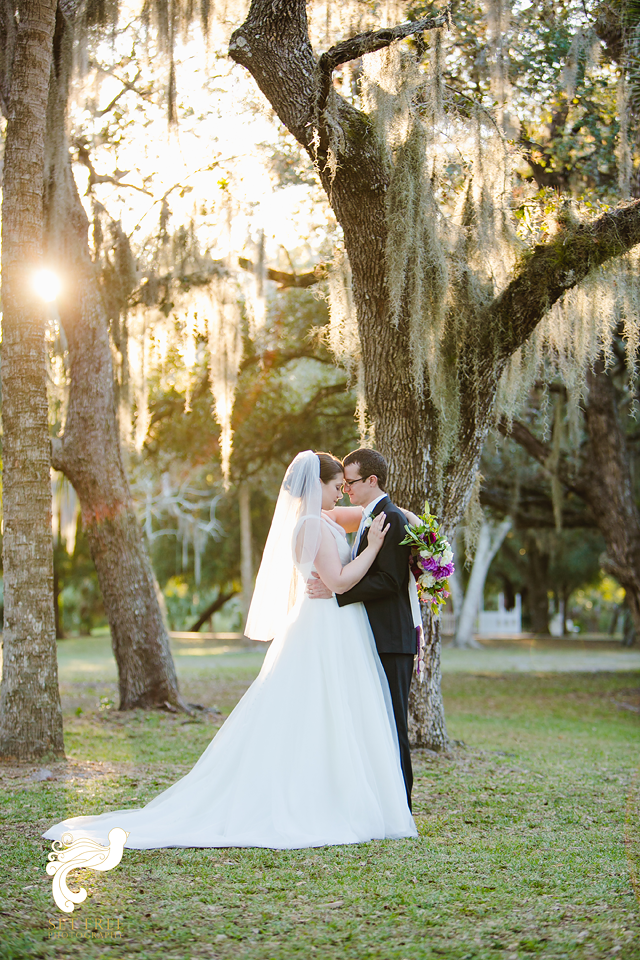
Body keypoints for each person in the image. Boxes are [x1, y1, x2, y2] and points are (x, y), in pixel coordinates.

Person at [43, 451, 417, 850]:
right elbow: (340, 582)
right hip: (323, 627)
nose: (341, 492)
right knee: (317, 710)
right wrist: (373, 548)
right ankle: (316, 798)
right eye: (335, 485)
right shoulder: (310, 525)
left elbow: (377, 516)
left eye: (347, 485)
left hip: (339, 629)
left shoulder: (324, 519)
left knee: (338, 711)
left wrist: (410, 522)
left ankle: (352, 793)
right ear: (316, 486)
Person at [307, 448, 417, 811]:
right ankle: (382, 801)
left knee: (393, 723)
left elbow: (389, 580)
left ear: (371, 480)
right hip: (373, 636)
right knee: (377, 722)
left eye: (350, 482)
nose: (346, 489)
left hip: (391, 638)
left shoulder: (390, 518)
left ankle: (402, 805)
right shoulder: (373, 515)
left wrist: (337, 592)